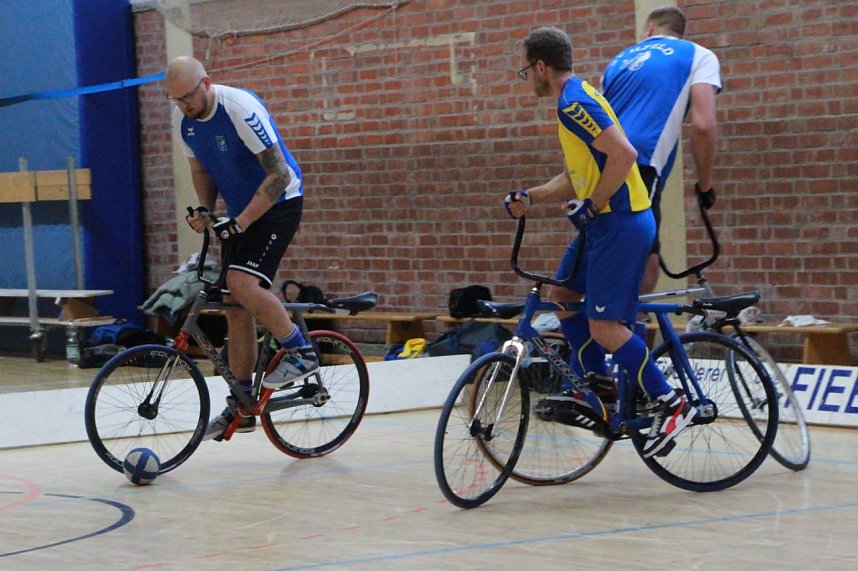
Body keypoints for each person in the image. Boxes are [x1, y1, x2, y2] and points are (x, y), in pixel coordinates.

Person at [506, 26, 696, 457]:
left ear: (540, 66)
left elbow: (624, 154)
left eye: (525, 71)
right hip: (603, 225)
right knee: (562, 294)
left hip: (622, 223)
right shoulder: (574, 99)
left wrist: (592, 204)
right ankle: (597, 386)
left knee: (605, 326)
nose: (527, 80)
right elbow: (575, 177)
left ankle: (669, 401)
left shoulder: (575, 102)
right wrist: (530, 197)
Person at [166, 56, 319, 441]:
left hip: (280, 202)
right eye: (177, 100)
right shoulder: (184, 122)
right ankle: (244, 402)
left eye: (188, 97)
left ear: (207, 83)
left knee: (243, 284)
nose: (184, 106)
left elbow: (279, 173)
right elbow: (201, 170)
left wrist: (242, 221)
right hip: (240, 209)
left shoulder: (239, 109)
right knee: (235, 308)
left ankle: (301, 354)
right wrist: (206, 211)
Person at [601, 5, 721, 295]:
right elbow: (703, 127)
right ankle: (622, 338)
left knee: (641, 262)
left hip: (599, 171)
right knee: (633, 268)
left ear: (650, 29)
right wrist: (705, 185)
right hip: (639, 169)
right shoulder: (698, 55)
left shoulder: (617, 61)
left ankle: (623, 335)